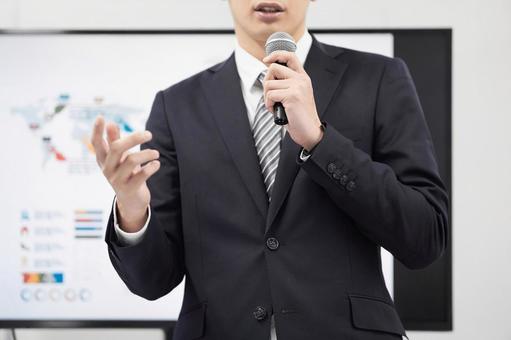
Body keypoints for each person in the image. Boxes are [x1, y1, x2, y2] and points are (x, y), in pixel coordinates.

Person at [90, 1, 449, 339]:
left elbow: (424, 238)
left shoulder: (379, 79)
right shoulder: (177, 105)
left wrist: (321, 142)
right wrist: (133, 210)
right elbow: (151, 281)